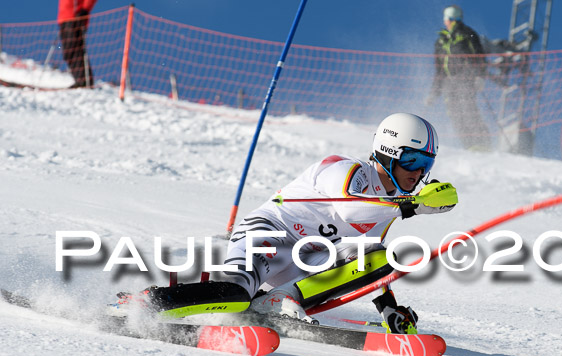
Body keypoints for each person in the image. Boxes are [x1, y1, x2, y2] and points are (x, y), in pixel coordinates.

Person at [135, 113, 458, 335]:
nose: (417, 172)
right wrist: (410, 207)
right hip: (270, 235)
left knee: (380, 256)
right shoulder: (343, 169)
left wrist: (389, 308)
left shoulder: (388, 208)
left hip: (306, 261)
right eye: (411, 160)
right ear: (386, 153)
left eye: (425, 164)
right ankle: (146, 302)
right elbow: (350, 211)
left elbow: (365, 260)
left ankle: (279, 299)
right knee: (234, 294)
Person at [426, 5, 491, 150]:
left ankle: (483, 144)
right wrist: (433, 93)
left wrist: (480, 76)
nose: (446, 22)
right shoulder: (441, 41)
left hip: (465, 79)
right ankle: (470, 146)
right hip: (449, 83)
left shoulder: (468, 34)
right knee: (455, 115)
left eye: (447, 19)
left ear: (451, 19)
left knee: (468, 110)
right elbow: (439, 70)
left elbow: (480, 56)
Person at [57, 0, 97, 88]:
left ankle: (84, 81)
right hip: (64, 18)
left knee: (74, 50)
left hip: (75, 17)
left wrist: (84, 9)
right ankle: (80, 80)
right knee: (68, 53)